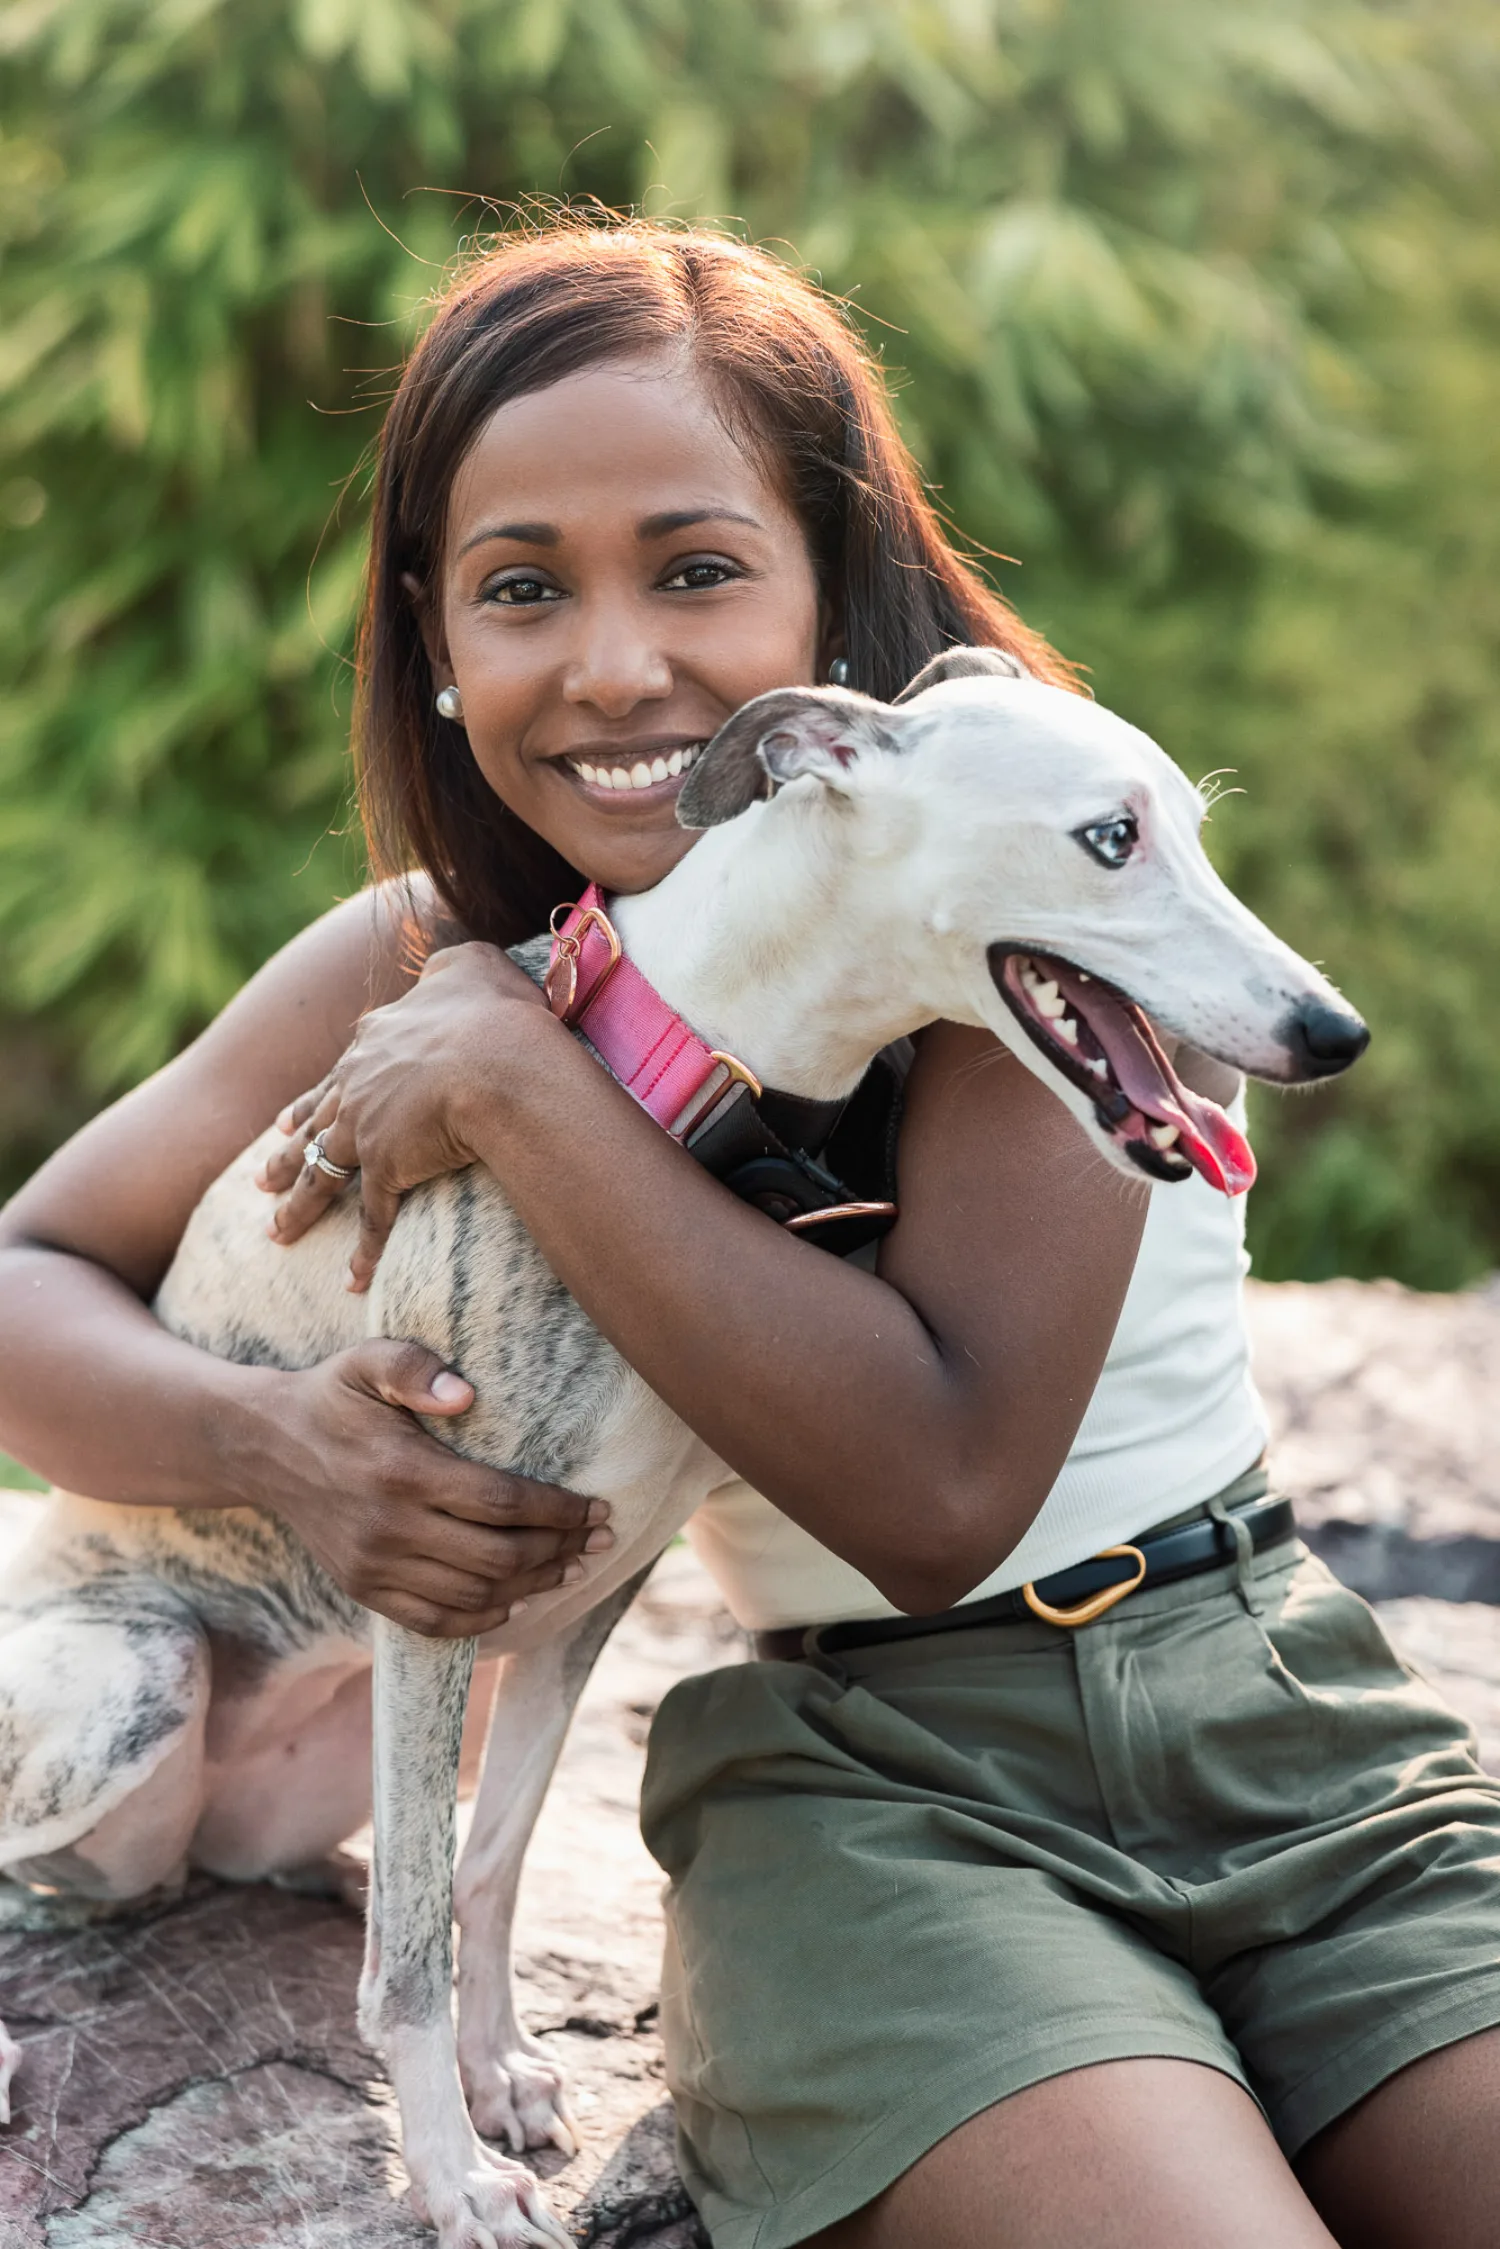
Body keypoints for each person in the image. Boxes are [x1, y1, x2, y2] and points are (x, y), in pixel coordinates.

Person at [2, 220, 1498, 2249]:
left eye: (699, 569)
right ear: (433, 635)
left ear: (831, 595)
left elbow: (940, 1481)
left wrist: (525, 1087)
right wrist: (280, 1447)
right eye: (523, 588)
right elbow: (29, 1281)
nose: (617, 665)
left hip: (1282, 1722)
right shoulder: (434, 955)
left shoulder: (1033, 902)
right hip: (871, 1793)